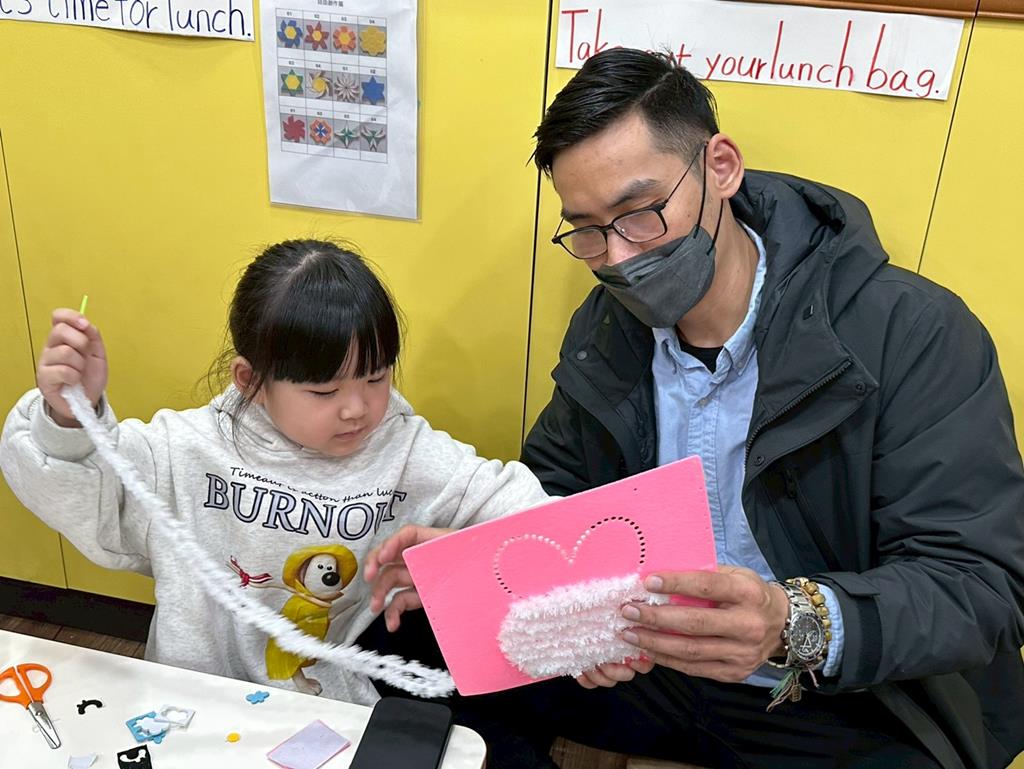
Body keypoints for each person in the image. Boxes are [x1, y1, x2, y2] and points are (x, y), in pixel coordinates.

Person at [366, 48, 1024, 769]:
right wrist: (479, 566)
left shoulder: (911, 332)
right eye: (587, 231)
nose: (619, 258)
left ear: (721, 167)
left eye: (640, 214)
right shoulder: (608, 327)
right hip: (652, 666)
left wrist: (791, 621)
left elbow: (980, 585)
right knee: (400, 646)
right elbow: (558, 493)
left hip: (834, 695)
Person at [0, 238, 548, 705]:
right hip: (190, 701)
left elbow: (530, 519)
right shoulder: (185, 450)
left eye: (376, 378)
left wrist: (477, 559)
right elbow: (78, 490)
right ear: (250, 380)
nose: (357, 408)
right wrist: (68, 417)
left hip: (322, 702)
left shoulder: (402, 452)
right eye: (324, 391)